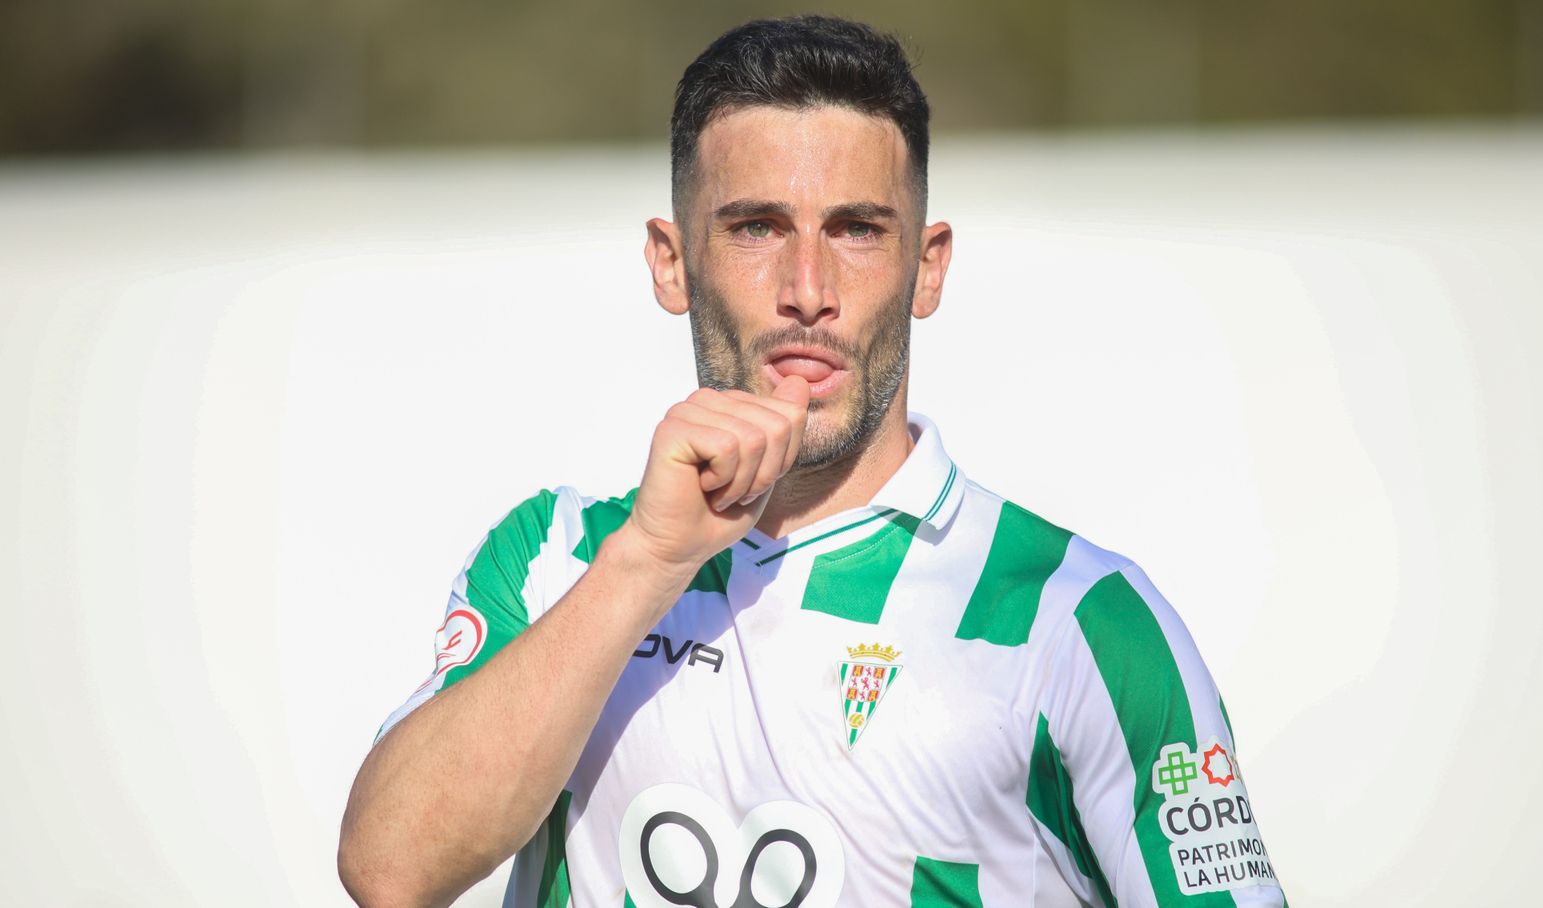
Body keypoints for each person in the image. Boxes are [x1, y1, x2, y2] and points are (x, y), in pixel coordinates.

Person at [338, 15, 1287, 908]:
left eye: (857, 229)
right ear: (671, 262)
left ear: (928, 267)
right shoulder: (560, 556)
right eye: (756, 227)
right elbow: (388, 870)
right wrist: (647, 562)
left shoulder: (1084, 619)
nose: (807, 290)